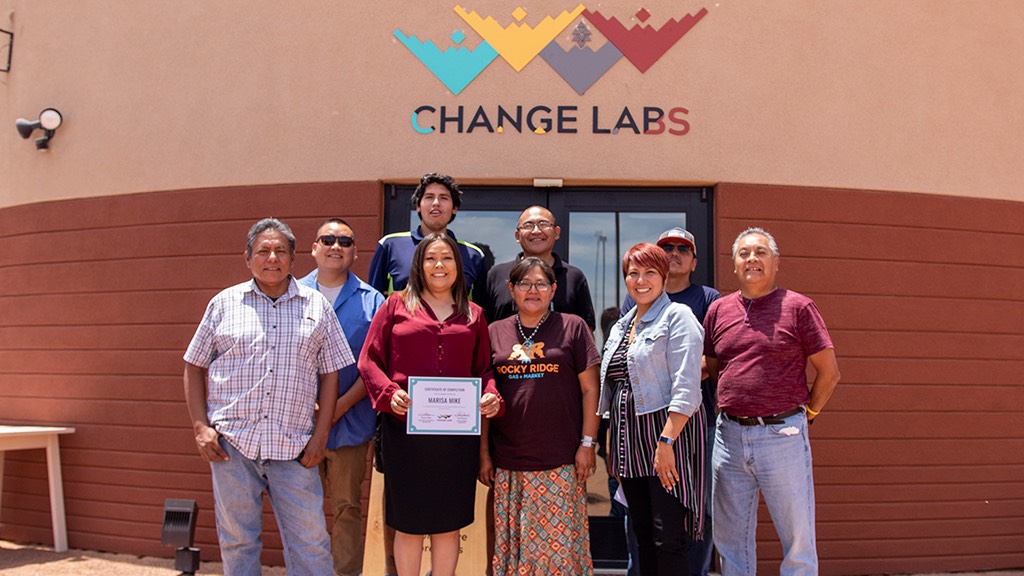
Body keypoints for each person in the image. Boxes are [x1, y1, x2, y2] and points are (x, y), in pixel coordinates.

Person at [183, 218, 352, 575]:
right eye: (263, 250)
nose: (271, 257)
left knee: (311, 542)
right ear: (248, 259)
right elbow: (194, 366)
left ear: (293, 259)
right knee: (238, 541)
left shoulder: (316, 306)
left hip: (295, 448)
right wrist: (200, 427)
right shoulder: (224, 304)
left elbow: (331, 373)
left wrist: (320, 437)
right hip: (232, 447)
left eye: (280, 251)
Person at [359, 233, 504, 576]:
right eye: (431, 259)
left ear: (459, 266)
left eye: (447, 259)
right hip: (405, 433)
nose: (439, 266)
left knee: (447, 525)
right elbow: (369, 361)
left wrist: (491, 394)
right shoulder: (394, 306)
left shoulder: (475, 315)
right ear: (418, 265)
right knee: (408, 524)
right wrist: (387, 392)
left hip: (456, 440)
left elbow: (484, 370)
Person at [703, 227, 840, 576]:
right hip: (729, 437)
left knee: (797, 540)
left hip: (783, 436)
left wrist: (808, 413)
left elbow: (829, 372)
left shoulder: (798, 307)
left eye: (761, 252)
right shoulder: (718, 310)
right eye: (744, 253)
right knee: (730, 540)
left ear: (776, 262)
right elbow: (717, 368)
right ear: (734, 265)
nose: (752, 259)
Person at [480, 257, 601, 575]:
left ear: (553, 289)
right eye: (524, 284)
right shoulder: (494, 332)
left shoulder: (573, 327)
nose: (533, 290)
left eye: (541, 284)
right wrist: (483, 454)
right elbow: (483, 396)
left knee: (558, 556)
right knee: (514, 554)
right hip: (509, 462)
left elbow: (591, 390)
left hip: (560, 462)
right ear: (511, 289)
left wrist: (587, 443)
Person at [598, 242, 706, 576]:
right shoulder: (620, 326)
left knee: (667, 538)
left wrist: (667, 443)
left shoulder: (678, 317)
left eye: (649, 273)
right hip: (629, 446)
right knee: (642, 536)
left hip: (666, 440)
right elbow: (616, 388)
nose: (640, 280)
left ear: (662, 276)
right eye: (633, 273)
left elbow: (687, 386)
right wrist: (611, 445)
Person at [620, 227, 720, 576]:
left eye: (682, 248)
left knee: (682, 523)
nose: (674, 252)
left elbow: (706, 364)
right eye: (667, 247)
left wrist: (667, 436)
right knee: (643, 527)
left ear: (693, 260)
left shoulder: (699, 304)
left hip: (679, 429)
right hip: (633, 438)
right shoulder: (627, 315)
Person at [298, 218, 385, 576]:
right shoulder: (290, 294)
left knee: (347, 507)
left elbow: (376, 365)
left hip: (350, 423)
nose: (336, 246)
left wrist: (337, 407)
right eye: (328, 239)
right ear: (314, 248)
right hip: (298, 427)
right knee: (301, 508)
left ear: (354, 252)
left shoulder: (372, 301)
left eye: (345, 241)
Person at [368, 172, 487, 299]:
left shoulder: (474, 255)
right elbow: (374, 303)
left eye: (444, 198)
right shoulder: (390, 245)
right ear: (418, 206)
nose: (436, 203)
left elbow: (481, 312)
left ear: (455, 208)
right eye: (429, 197)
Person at [481, 205, 596, 330]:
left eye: (543, 224)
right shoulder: (497, 275)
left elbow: (586, 330)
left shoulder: (574, 277)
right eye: (528, 225)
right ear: (517, 236)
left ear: (557, 232)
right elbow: (483, 327)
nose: (536, 231)